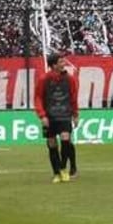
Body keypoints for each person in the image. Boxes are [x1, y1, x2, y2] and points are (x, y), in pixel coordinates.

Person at [35, 53, 80, 183]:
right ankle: (56, 173)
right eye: (61, 62)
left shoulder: (70, 79)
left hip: (65, 114)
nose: (64, 64)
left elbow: (73, 97)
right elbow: (38, 97)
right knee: (52, 143)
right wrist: (42, 115)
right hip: (49, 116)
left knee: (66, 138)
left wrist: (75, 114)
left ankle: (63, 168)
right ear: (54, 65)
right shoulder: (44, 79)